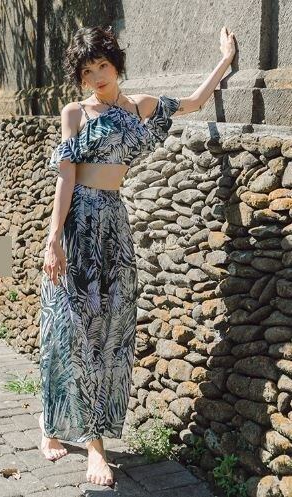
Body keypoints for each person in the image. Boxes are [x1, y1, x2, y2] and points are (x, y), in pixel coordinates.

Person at [38, 24, 236, 487]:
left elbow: (193, 103)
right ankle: (86, 444)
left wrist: (225, 61)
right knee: (74, 327)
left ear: (116, 65)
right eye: (87, 72)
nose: (97, 77)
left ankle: (64, 423)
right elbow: (66, 176)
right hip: (80, 223)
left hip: (114, 222)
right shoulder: (75, 113)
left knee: (112, 328)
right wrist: (54, 238)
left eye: (102, 66)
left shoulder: (141, 106)